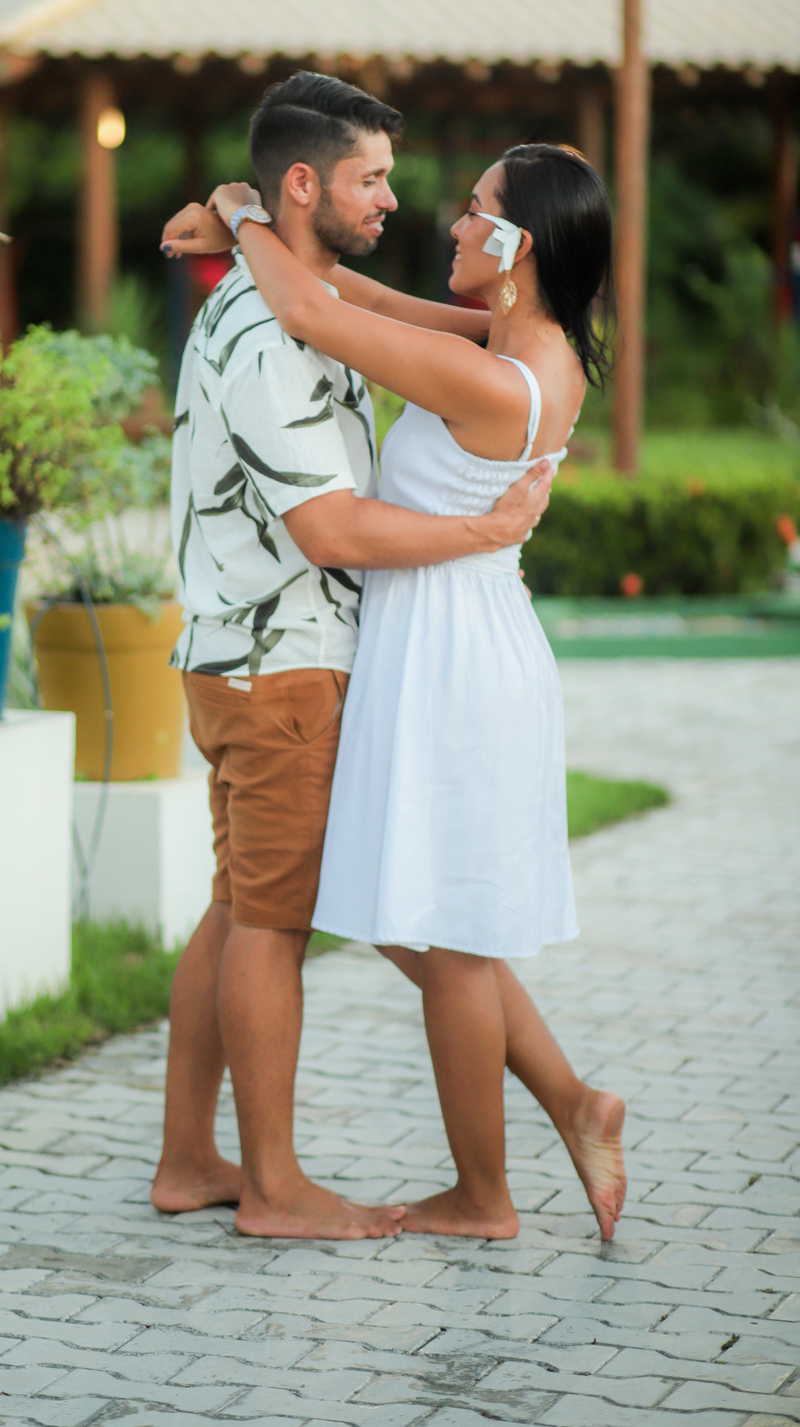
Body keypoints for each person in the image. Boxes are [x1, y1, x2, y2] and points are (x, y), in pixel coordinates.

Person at [166, 123, 627, 1243]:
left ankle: (487, 1194)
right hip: (435, 643)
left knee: (446, 932)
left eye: (478, 210)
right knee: (413, 915)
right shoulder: (507, 338)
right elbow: (357, 296)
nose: (453, 222)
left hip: (452, 659)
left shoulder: (495, 373)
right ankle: (569, 1105)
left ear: (518, 245)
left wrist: (241, 216)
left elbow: (318, 314)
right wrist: (248, 222)